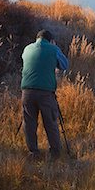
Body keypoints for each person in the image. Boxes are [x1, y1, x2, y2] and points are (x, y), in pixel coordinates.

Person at [21, 29, 68, 160]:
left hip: (27, 92)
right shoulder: (53, 49)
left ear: (37, 38)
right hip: (45, 93)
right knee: (50, 122)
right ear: (50, 40)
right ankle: (55, 154)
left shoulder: (27, 49)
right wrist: (55, 47)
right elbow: (64, 65)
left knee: (29, 123)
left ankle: (33, 152)